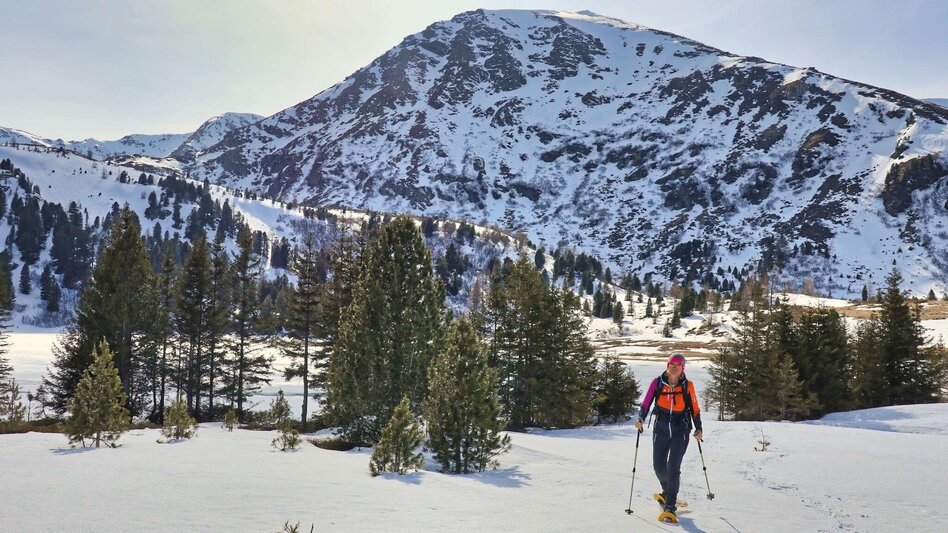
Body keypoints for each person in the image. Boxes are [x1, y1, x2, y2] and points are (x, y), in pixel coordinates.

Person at [634, 353, 703, 520]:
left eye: (678, 364)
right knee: (658, 467)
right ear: (667, 365)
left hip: (681, 430)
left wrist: (698, 428)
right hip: (661, 428)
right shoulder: (657, 383)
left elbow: (694, 408)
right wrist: (641, 418)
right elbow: (646, 403)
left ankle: (670, 507)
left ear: (683, 368)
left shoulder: (688, 386)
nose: (674, 367)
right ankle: (667, 492)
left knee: (673, 467)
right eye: (672, 363)